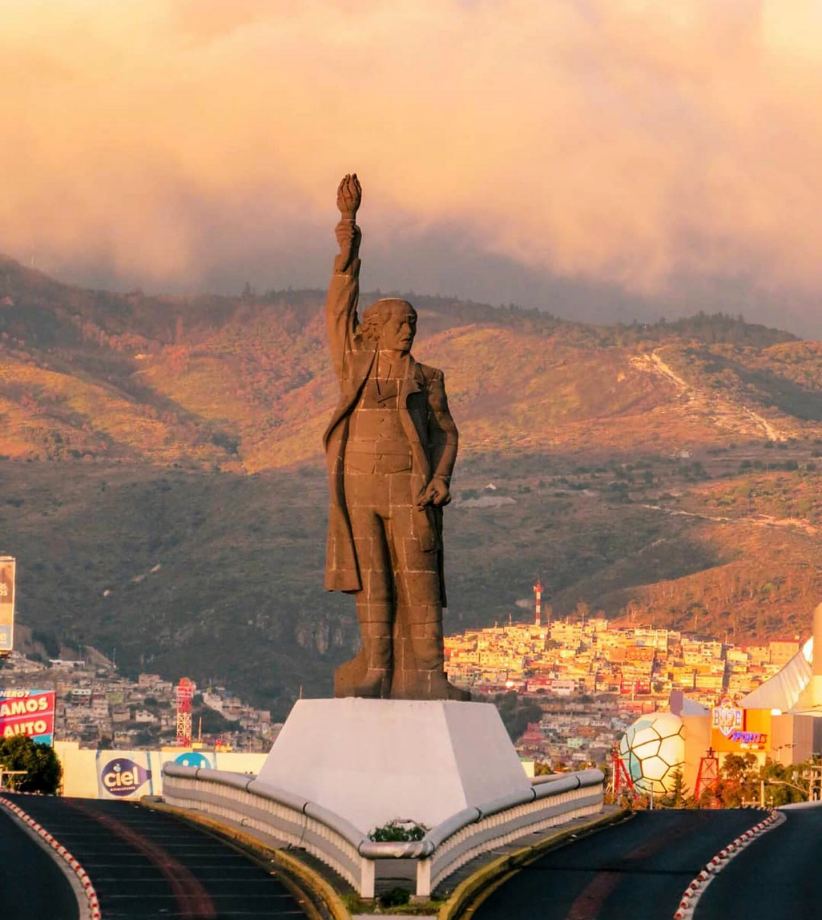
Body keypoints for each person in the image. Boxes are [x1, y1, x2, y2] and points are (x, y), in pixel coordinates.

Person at [323, 173, 467, 700]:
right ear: (377, 328)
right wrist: (348, 229)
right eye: (400, 322)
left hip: (410, 487)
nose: (409, 329)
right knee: (372, 580)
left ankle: (429, 673)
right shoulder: (353, 366)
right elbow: (340, 304)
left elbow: (449, 434)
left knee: (420, 580)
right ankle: (377, 668)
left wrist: (442, 478)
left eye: (413, 322)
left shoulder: (428, 378)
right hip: (358, 487)